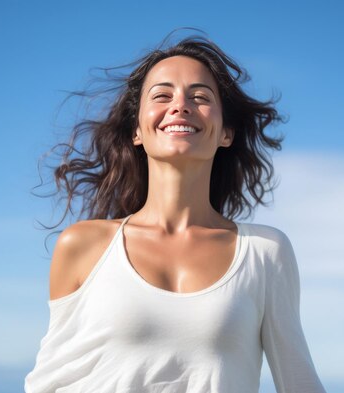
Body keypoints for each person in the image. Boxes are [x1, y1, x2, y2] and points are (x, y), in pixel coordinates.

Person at [25, 30, 326, 393]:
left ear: (226, 133)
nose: (180, 105)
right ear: (137, 129)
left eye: (199, 97)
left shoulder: (265, 252)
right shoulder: (83, 246)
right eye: (162, 95)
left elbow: (299, 384)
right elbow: (48, 383)